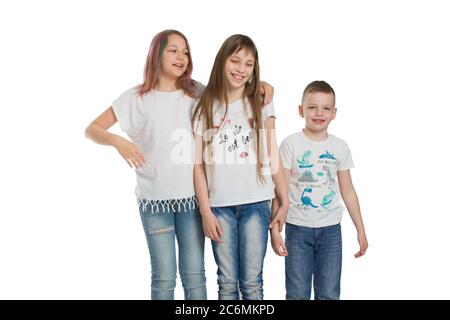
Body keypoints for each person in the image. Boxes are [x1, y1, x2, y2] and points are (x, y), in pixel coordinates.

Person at [85, 30, 274, 300]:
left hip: (193, 201)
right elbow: (92, 129)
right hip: (154, 202)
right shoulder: (134, 98)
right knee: (163, 277)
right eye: (173, 50)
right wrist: (118, 141)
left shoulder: (197, 92)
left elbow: (234, 89)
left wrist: (265, 85)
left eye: (185, 52)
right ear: (156, 53)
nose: (181, 57)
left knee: (195, 276)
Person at [192, 34, 288, 300]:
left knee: (252, 283)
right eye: (235, 60)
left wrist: (285, 199)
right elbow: (197, 164)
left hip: (257, 203)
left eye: (249, 64)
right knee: (226, 282)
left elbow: (273, 154)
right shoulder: (204, 108)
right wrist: (205, 210)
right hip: (219, 206)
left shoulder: (261, 102)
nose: (241, 69)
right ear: (222, 61)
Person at [271, 80, 368, 300]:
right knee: (297, 293)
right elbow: (280, 190)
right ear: (300, 110)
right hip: (297, 229)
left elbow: (348, 191)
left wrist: (360, 228)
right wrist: (275, 229)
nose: (318, 113)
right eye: (312, 107)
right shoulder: (290, 144)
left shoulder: (339, 147)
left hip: (331, 231)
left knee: (329, 293)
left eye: (326, 108)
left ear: (334, 113)